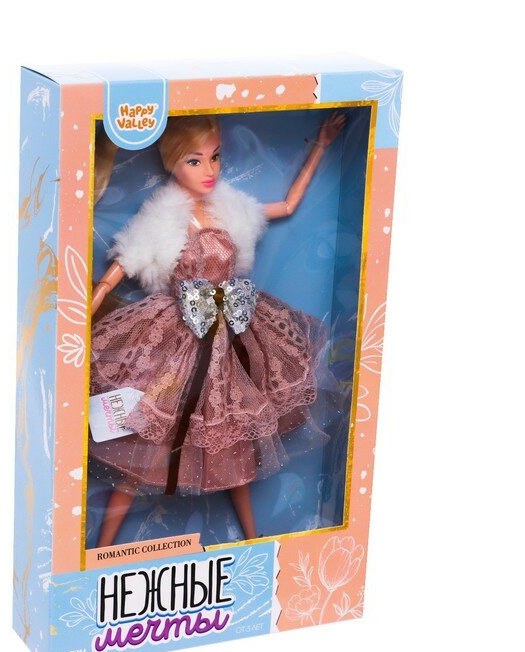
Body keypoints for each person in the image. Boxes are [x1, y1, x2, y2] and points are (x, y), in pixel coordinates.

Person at [90, 111, 346, 547]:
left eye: (215, 157)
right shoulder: (162, 220)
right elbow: (122, 264)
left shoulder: (233, 211)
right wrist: (88, 305)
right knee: (148, 437)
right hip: (178, 336)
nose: (209, 169)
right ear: (172, 162)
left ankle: (252, 540)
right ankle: (103, 548)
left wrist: (321, 144)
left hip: (234, 332)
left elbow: (286, 206)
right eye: (194, 160)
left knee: (234, 440)